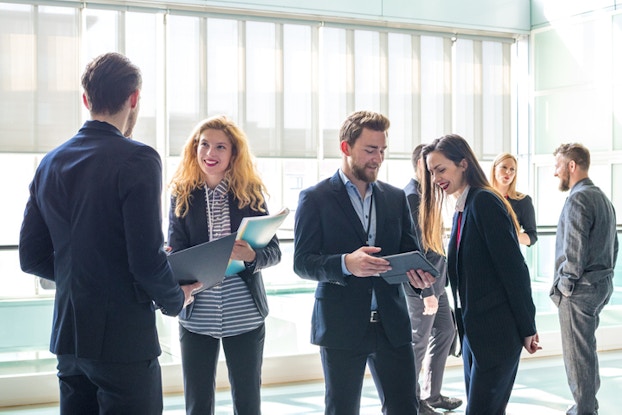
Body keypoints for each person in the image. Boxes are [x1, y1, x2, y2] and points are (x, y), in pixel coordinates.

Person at [18, 52, 200, 415]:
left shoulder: (50, 162)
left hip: (69, 338)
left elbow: (31, 257)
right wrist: (175, 300)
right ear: (134, 99)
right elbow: (147, 262)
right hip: (123, 340)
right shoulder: (138, 159)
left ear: (86, 99)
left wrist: (86, 275)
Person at [293, 110, 436, 415]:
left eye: (382, 150)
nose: (378, 158)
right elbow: (303, 262)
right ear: (345, 148)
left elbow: (408, 251)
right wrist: (346, 263)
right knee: (342, 409)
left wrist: (417, 276)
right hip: (341, 325)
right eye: (370, 150)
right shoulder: (314, 198)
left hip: (392, 325)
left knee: (404, 408)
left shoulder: (395, 198)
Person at [167, 115, 282, 415]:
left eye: (220, 147)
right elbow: (176, 252)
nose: (210, 153)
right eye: (204, 145)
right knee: (198, 404)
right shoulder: (181, 195)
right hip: (197, 316)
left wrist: (252, 257)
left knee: (247, 402)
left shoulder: (250, 193)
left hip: (244, 315)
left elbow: (274, 252)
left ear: (233, 154)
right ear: (195, 149)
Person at [419, 134, 541, 414]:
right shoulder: (464, 206)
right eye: (431, 171)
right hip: (474, 333)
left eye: (441, 169)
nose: (436, 178)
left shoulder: (484, 202)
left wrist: (527, 327)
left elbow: (514, 270)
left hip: (496, 334)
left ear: (463, 164)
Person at [550, 143, 618, 415]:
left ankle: (584, 410)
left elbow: (574, 252)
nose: (555, 173)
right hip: (601, 285)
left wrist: (563, 287)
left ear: (571, 166)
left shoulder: (578, 199)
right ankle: (587, 403)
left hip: (579, 291)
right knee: (586, 351)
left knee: (578, 357)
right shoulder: (602, 197)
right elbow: (614, 246)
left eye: (557, 166)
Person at [403, 144, 462, 415]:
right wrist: (426, 289)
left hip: (438, 282)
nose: (436, 175)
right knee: (418, 341)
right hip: (421, 286)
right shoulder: (412, 197)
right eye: (430, 169)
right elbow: (415, 249)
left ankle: (432, 394)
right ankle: (411, 401)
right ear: (419, 167)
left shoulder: (429, 195)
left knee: (446, 331)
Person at [490, 152, 538, 246]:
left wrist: (514, 235)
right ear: (494, 169)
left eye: (512, 169)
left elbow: (532, 236)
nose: (508, 172)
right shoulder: (481, 198)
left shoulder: (523, 201)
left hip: (509, 255)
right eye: (504, 167)